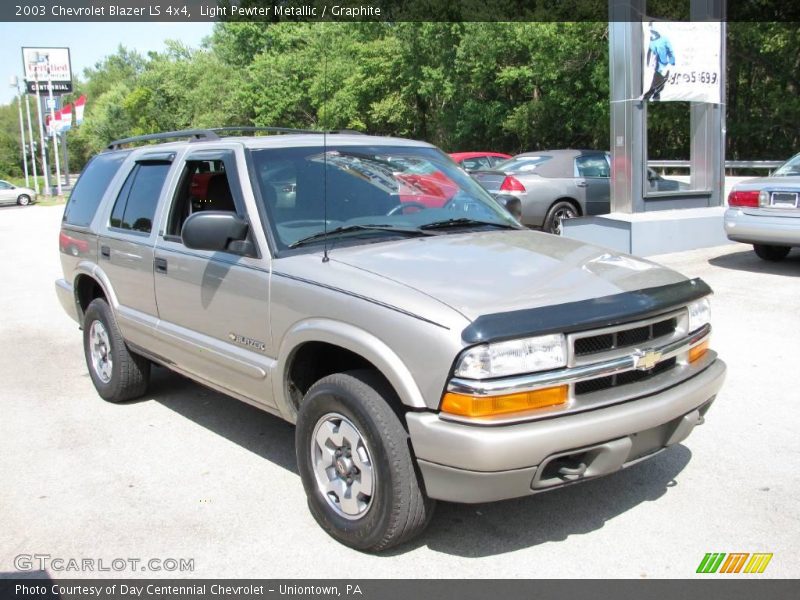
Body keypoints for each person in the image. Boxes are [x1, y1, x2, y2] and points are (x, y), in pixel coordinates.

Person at [642, 23, 676, 101]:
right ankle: (652, 96)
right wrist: (648, 64)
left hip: (663, 66)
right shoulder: (651, 42)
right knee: (657, 84)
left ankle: (651, 96)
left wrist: (671, 62)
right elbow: (649, 52)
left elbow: (670, 51)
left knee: (658, 83)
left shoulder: (664, 39)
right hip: (656, 67)